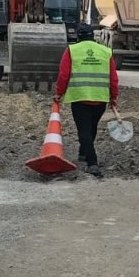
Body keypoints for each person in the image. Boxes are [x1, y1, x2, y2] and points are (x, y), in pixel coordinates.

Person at [54, 23, 119, 178]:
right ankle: (84, 153)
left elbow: (64, 75)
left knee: (84, 131)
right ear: (93, 36)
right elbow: (113, 77)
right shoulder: (105, 51)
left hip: (80, 97)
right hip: (100, 98)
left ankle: (92, 163)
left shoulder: (72, 50)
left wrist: (59, 93)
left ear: (78, 36)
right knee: (91, 127)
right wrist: (114, 96)